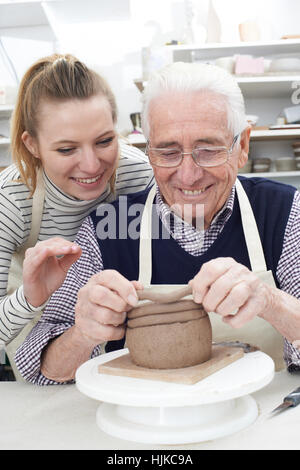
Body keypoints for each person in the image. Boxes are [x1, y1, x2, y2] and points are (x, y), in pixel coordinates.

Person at [15, 62, 300, 385]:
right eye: (168, 152)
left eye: (208, 150)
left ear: (242, 146)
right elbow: (42, 373)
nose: (189, 174)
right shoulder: (106, 228)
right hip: (145, 426)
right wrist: (82, 334)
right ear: (148, 153)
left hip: (260, 422)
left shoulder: (285, 212)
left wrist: (271, 301)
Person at [0, 53, 154, 380]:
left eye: (104, 141)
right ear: (33, 145)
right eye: (67, 149)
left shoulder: (136, 174)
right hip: (36, 339)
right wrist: (29, 298)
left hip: (119, 333)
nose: (91, 165)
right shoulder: (11, 200)